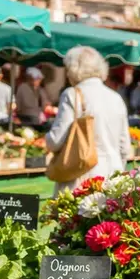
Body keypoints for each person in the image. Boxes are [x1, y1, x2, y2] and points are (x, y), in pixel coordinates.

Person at [46, 45, 132, 193]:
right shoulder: (116, 97)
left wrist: (46, 139)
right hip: (113, 175)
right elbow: (125, 148)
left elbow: (55, 140)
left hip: (82, 177)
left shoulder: (72, 94)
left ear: (73, 69)